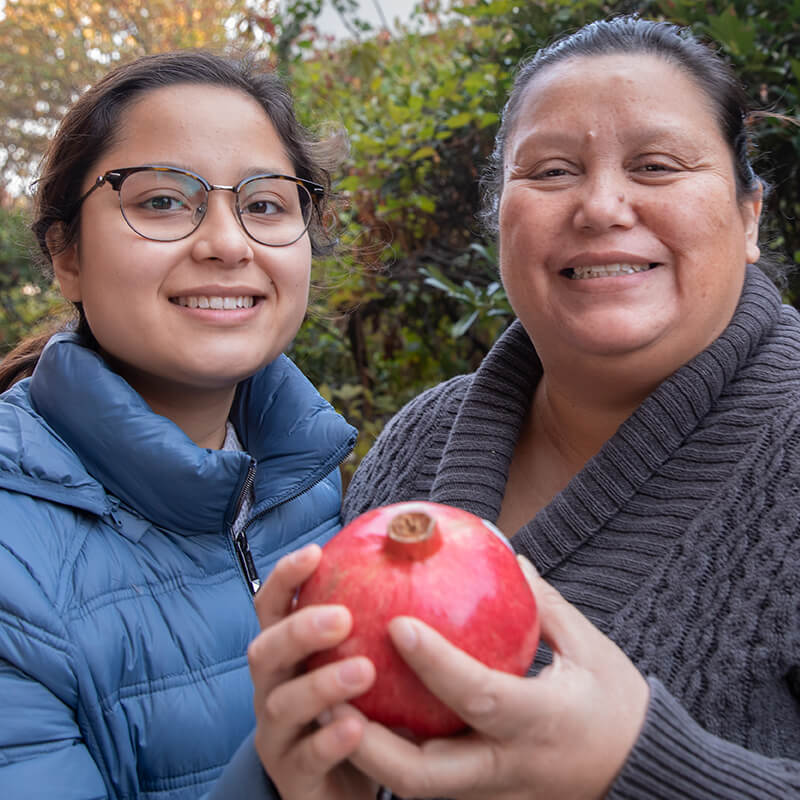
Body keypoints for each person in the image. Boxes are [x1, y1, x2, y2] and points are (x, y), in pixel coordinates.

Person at [244, 15, 800, 800]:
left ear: (749, 215)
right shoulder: (419, 443)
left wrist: (636, 766)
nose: (601, 206)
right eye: (551, 171)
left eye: (656, 165)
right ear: (500, 219)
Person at [0, 50, 357, 799]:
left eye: (266, 205)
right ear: (66, 255)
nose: (228, 243)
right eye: (163, 200)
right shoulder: (13, 561)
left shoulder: (319, 484)